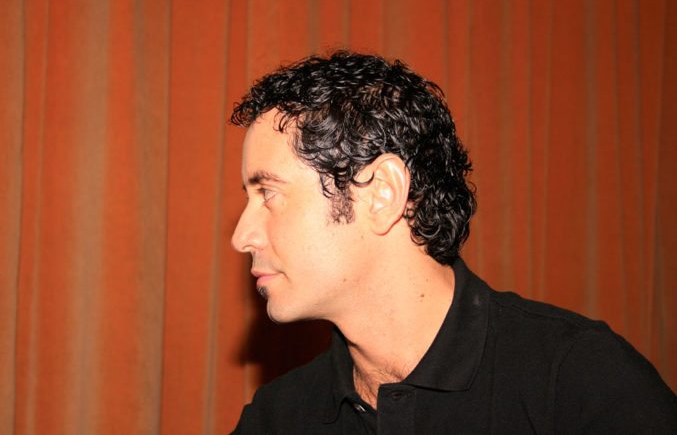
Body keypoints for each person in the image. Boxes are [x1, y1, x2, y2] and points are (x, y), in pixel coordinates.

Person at [229, 51, 677, 434]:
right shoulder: (277, 417)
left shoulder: (578, 381)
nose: (241, 236)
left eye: (269, 194)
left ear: (381, 194)